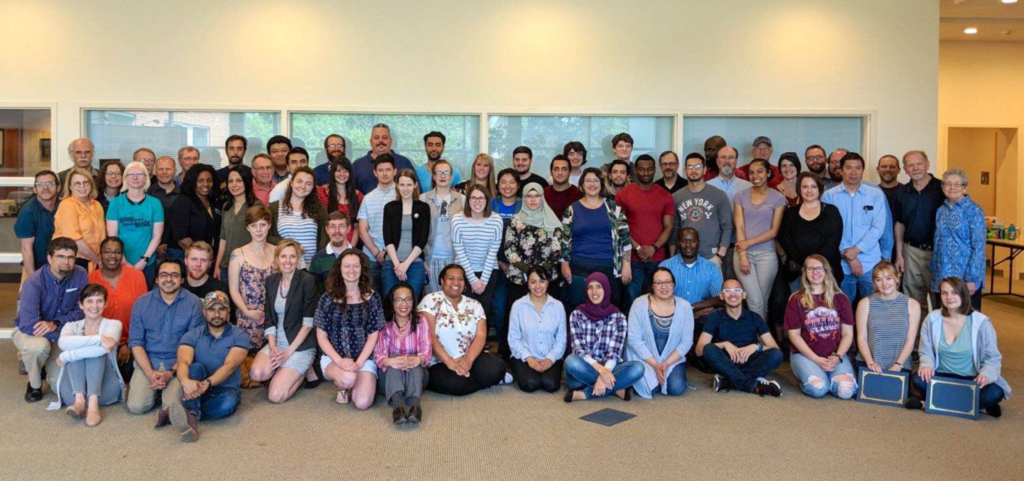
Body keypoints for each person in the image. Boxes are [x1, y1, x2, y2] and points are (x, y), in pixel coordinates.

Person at [907, 277, 1011, 417]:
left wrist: (986, 375)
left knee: (994, 392)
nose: (949, 297)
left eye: (954, 293)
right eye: (944, 293)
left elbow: (993, 358)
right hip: (941, 376)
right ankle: (975, 405)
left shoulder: (981, 322)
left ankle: (927, 403)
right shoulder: (932, 319)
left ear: (963, 294)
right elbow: (925, 351)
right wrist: (927, 365)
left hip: (972, 379)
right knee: (918, 379)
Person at [159, 291, 250, 442]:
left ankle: (180, 413)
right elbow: (183, 362)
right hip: (196, 384)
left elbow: (230, 365)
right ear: (204, 312)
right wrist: (186, 382)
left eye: (221, 309)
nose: (217, 314)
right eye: (211, 309)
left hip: (223, 388)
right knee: (195, 367)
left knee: (230, 401)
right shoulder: (192, 334)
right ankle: (192, 417)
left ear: (228, 311)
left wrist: (208, 383)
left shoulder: (239, 335)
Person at [13, 238, 88, 402]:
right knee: (38, 347)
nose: (66, 262)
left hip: (62, 331)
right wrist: (55, 338)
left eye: (70, 257)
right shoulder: (34, 282)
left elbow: (82, 311)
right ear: (49, 258)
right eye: (60, 256)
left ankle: (47, 367)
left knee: (63, 390)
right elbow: (28, 324)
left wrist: (56, 324)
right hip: (31, 332)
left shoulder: (81, 275)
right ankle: (35, 384)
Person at [126, 259, 205, 414]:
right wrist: (149, 373)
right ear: (156, 279)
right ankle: (156, 389)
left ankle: (163, 391)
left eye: (174, 275)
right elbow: (136, 343)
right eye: (164, 275)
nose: (169, 279)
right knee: (136, 407)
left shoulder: (194, 303)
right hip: (149, 361)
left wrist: (172, 373)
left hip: (178, 362)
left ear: (182, 279)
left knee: (171, 408)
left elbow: (193, 343)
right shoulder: (141, 303)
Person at [419, 264, 507, 396]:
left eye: (460, 279)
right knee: (457, 385)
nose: (456, 282)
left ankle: (474, 376)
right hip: (439, 361)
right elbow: (429, 335)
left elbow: (481, 335)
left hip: (470, 357)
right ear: (442, 281)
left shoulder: (474, 305)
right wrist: (449, 362)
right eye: (451, 278)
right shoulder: (430, 300)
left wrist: (468, 360)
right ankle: (482, 380)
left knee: (495, 369)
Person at [249, 240, 319, 403]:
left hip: (299, 345)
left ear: (298, 259)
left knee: (275, 396)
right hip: (278, 342)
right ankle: (283, 370)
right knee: (256, 373)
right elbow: (269, 318)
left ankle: (303, 370)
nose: (288, 261)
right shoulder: (272, 281)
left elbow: (308, 323)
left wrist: (287, 354)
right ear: (277, 259)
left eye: (292, 257)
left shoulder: (307, 280)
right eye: (283, 256)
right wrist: (273, 348)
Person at [504, 183, 568, 357]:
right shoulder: (516, 221)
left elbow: (557, 249)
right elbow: (510, 249)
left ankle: (550, 356)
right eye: (529, 196)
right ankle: (518, 357)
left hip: (547, 279)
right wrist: (529, 271)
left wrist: (540, 273)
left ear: (542, 197)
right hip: (519, 279)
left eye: (536, 195)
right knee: (519, 321)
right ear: (524, 199)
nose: (533, 200)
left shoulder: (552, 220)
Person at [316, 249, 386, 409]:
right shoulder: (327, 298)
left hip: (364, 358)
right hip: (334, 358)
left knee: (362, 403)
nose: (351, 271)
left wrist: (359, 363)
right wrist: (339, 361)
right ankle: (344, 383)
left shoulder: (372, 297)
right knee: (347, 378)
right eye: (347, 266)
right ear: (339, 269)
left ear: (362, 269)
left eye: (356, 266)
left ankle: (353, 382)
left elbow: (373, 336)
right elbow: (321, 336)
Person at [784, 255, 858, 399]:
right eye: (810, 269)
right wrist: (816, 359)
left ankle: (828, 376)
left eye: (819, 268)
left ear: (826, 271)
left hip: (834, 354)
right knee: (818, 389)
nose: (815, 272)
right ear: (805, 272)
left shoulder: (840, 298)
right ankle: (812, 378)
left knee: (845, 391)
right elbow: (794, 335)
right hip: (805, 355)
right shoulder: (796, 299)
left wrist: (837, 357)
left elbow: (848, 334)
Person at [695, 279, 784, 396]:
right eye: (728, 291)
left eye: (737, 290)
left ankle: (728, 381)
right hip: (725, 362)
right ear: (722, 296)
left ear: (744, 295)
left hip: (751, 361)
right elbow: (699, 351)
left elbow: (774, 348)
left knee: (777, 355)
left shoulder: (754, 317)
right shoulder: (714, 317)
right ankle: (752, 385)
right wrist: (724, 344)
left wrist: (756, 347)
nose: (733, 294)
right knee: (709, 349)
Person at [564, 272, 644, 402]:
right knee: (571, 362)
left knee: (638, 368)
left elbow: (614, 353)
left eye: (599, 287)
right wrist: (602, 371)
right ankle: (615, 388)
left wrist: (605, 372)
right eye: (590, 287)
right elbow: (579, 350)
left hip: (609, 367)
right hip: (584, 366)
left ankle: (585, 394)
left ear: (606, 289)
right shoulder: (577, 315)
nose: (594, 291)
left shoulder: (619, 317)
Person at [560, 167, 632, 310]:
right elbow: (564, 240)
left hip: (608, 265)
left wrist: (626, 265)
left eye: (595, 180)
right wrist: (564, 264)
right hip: (579, 266)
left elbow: (625, 238)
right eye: (588, 180)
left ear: (601, 184)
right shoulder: (572, 209)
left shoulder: (613, 208)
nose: (592, 184)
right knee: (578, 307)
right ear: (582, 185)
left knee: (608, 308)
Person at [53, 284, 125, 426]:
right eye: (89, 301)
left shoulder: (114, 324)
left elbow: (103, 350)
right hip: (72, 392)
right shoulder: (71, 326)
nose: (94, 305)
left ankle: (93, 406)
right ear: (81, 304)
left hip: (105, 389)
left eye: (99, 301)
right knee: (86, 350)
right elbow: (63, 343)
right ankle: (79, 402)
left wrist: (66, 356)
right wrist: (98, 339)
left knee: (94, 353)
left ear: (106, 304)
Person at [821, 152, 887, 305]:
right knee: (841, 309)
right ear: (841, 170)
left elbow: (878, 227)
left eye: (858, 168)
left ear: (863, 170)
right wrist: (848, 255)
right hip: (840, 264)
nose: (853, 172)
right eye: (849, 168)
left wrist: (856, 250)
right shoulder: (828, 196)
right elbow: (828, 230)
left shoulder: (875, 194)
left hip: (870, 263)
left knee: (873, 308)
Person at [626, 268, 695, 398]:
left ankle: (671, 371)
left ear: (674, 285)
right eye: (658, 283)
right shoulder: (639, 304)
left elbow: (686, 342)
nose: (664, 287)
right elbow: (634, 339)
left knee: (676, 388)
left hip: (672, 359)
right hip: (644, 358)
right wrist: (655, 364)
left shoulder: (685, 306)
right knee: (651, 388)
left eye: (668, 282)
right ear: (652, 286)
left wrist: (667, 363)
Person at [616, 154, 675, 306]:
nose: (646, 173)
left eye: (649, 169)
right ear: (635, 170)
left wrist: (653, 247)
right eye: (641, 169)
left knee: (656, 301)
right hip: (631, 259)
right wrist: (638, 247)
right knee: (631, 300)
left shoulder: (666, 196)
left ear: (655, 170)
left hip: (657, 258)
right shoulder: (623, 195)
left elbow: (669, 227)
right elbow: (618, 226)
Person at [893, 150, 945, 320]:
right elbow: (899, 223)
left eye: (919, 164)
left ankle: (937, 343)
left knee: (940, 299)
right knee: (913, 301)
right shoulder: (901, 192)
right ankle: (915, 343)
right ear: (904, 169)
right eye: (910, 165)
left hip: (937, 253)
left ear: (927, 165)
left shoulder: (943, 189)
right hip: (911, 251)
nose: (915, 168)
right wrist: (899, 255)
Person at [732, 159, 786, 320]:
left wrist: (748, 243)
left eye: (759, 171)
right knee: (755, 301)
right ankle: (761, 340)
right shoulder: (740, 196)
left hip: (766, 255)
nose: (755, 175)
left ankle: (758, 339)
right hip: (742, 255)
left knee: (762, 301)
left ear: (768, 173)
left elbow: (774, 231)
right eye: (751, 172)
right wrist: (743, 255)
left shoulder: (778, 198)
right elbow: (739, 227)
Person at [88, 237, 147, 380]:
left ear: (122, 255)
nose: (112, 256)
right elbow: (87, 317)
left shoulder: (137, 276)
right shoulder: (90, 279)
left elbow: (144, 314)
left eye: (117, 252)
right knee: (101, 376)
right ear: (100, 254)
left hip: (132, 341)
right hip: (100, 341)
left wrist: (128, 344)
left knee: (128, 374)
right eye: (107, 252)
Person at [373, 282, 431, 424]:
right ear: (392, 302)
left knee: (416, 364)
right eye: (398, 299)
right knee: (393, 363)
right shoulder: (383, 323)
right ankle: (398, 408)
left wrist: (417, 359)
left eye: (408, 299)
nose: (403, 304)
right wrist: (391, 361)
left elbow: (427, 349)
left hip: (416, 375)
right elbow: (378, 354)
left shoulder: (421, 320)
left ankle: (415, 406)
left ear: (413, 301)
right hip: (389, 377)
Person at [930, 169, 987, 311]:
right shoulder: (941, 210)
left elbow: (979, 247)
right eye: (948, 184)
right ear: (943, 187)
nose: (952, 188)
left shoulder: (974, 211)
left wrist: (971, 278)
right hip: (942, 275)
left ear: (965, 187)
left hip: (964, 276)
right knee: (943, 317)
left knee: (966, 319)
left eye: (957, 184)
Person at [778, 172, 845, 292]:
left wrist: (813, 266)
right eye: (805, 187)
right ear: (799, 189)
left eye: (813, 186)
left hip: (827, 271)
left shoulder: (831, 211)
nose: (809, 190)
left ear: (820, 189)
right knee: (801, 308)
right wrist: (806, 265)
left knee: (826, 309)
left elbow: (833, 243)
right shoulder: (790, 212)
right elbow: (785, 240)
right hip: (798, 272)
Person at [228, 205, 278, 360]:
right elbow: (233, 289)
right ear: (247, 228)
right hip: (248, 316)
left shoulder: (278, 252)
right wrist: (246, 311)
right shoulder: (238, 254)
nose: (258, 230)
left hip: (274, 315)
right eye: (254, 225)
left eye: (262, 225)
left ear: (269, 226)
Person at [508, 267, 567, 393]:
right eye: (533, 282)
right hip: (525, 356)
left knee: (550, 385)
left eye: (542, 281)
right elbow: (513, 338)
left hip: (549, 356)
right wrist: (529, 358)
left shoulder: (558, 306)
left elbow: (561, 339)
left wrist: (550, 359)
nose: (538, 286)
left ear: (548, 283)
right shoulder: (518, 306)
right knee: (530, 384)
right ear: (528, 284)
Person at [451, 184, 504, 323]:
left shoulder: (496, 220)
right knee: (464, 312)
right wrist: (473, 280)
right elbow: (460, 252)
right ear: (468, 200)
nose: (477, 201)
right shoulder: (457, 220)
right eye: (473, 198)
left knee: (483, 312)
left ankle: (480, 343)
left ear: (487, 200)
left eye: (481, 198)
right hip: (464, 271)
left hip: (488, 272)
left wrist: (483, 281)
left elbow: (493, 252)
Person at [855, 262, 921, 374]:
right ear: (874, 283)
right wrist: (871, 363)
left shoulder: (912, 304)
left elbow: (910, 340)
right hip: (869, 363)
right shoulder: (865, 303)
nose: (884, 283)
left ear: (897, 278)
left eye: (888, 278)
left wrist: (898, 365)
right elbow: (862, 338)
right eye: (879, 279)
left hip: (901, 364)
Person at [106, 160, 164, 284]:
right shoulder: (115, 203)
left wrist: (144, 260)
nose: (136, 177)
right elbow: (112, 237)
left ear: (146, 178)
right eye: (131, 174)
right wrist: (124, 261)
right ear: (125, 178)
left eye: (140, 174)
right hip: (120, 261)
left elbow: (157, 236)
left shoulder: (155, 203)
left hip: (148, 262)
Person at [671, 153, 732, 268]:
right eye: (690, 167)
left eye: (698, 166)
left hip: (711, 257)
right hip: (683, 258)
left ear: (704, 170)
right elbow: (674, 229)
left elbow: (727, 226)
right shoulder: (676, 197)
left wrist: (720, 256)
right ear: (684, 170)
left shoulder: (719, 195)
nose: (694, 170)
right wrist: (672, 256)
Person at [381, 169, 430, 302]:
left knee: (411, 303)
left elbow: (422, 240)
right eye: (402, 184)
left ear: (415, 185)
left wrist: (406, 265)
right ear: (397, 185)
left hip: (414, 264)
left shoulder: (423, 208)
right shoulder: (390, 208)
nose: (405, 188)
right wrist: (398, 265)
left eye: (409, 184)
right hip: (392, 264)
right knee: (390, 304)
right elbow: (388, 239)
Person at [659, 228, 724, 324]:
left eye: (692, 241)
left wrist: (693, 308)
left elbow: (719, 298)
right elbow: (657, 297)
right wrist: (687, 312)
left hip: (702, 316)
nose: (688, 245)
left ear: (698, 243)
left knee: (717, 315)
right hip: (671, 316)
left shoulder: (711, 268)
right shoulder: (665, 266)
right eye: (683, 241)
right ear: (678, 243)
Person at [421, 159, 464, 294]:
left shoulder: (462, 199)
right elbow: (418, 233)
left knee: (453, 299)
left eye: (446, 172)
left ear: (451, 176)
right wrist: (421, 259)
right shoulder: (423, 199)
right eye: (439, 173)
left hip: (454, 258)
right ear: (434, 176)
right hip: (431, 259)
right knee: (432, 300)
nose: (443, 176)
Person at [268, 167, 327, 265]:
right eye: (299, 181)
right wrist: (291, 244)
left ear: (313, 187)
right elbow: (267, 236)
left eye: (308, 184)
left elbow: (325, 237)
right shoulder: (275, 207)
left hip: (311, 267)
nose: (303, 186)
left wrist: (318, 262)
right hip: (284, 266)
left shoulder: (319, 208)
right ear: (291, 183)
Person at [490, 168, 521, 347]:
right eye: (503, 182)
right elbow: (484, 234)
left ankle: (515, 348)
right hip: (495, 264)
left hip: (519, 265)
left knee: (517, 309)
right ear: (498, 184)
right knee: (499, 308)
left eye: (511, 182)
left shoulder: (524, 205)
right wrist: (499, 262)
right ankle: (502, 347)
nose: (507, 186)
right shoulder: (490, 204)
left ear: (517, 185)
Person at [358, 154, 398, 291]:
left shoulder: (401, 195)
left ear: (395, 171)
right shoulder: (368, 198)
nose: (384, 173)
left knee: (392, 299)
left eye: (388, 169)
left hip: (396, 258)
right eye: (380, 170)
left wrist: (387, 252)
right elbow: (362, 230)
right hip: (371, 258)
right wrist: (376, 253)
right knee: (370, 298)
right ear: (375, 173)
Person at [54, 167, 106, 269]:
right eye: (77, 183)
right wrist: (97, 259)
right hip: (73, 260)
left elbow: (102, 235)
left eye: (86, 182)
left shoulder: (97, 205)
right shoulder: (67, 205)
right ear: (70, 187)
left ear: (91, 184)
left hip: (95, 261)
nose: (82, 186)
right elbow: (74, 239)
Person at [167, 164, 221, 262]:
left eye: (209, 180)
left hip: (206, 257)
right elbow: (182, 237)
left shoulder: (214, 202)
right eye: (200, 181)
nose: (206, 184)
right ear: (192, 182)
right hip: (184, 255)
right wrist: (199, 257)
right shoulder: (183, 201)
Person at [215, 168, 261, 280]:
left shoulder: (256, 205)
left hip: (248, 265)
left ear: (246, 182)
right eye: (230, 181)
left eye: (239, 181)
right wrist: (217, 265)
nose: (234, 185)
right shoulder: (226, 206)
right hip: (226, 265)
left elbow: (261, 237)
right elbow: (223, 238)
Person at [16, 170, 59, 279]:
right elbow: (26, 248)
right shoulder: (28, 211)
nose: (45, 188)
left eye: (50, 184)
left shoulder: (66, 206)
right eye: (40, 184)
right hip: (37, 267)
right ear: (35, 189)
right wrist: (33, 278)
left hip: (62, 266)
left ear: (58, 188)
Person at [352, 124, 415, 195]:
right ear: (370, 142)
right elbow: (349, 193)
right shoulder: (358, 165)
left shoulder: (404, 163)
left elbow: (415, 191)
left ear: (391, 141)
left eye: (385, 138)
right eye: (376, 138)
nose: (381, 141)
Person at [314, 156, 362, 244]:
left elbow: (357, 226)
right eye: (338, 170)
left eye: (346, 171)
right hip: (327, 246)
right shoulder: (321, 193)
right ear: (333, 172)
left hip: (350, 246)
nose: (342, 174)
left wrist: (350, 248)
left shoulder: (357, 196)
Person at [309, 211, 354, 283]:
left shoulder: (361, 257)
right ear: (327, 229)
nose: (337, 231)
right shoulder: (317, 259)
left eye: (341, 226)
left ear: (348, 229)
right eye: (332, 226)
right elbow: (315, 292)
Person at [544, 154, 582, 219]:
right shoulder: (543, 193)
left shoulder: (579, 195)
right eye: (556, 169)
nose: (560, 173)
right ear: (551, 172)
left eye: (564, 169)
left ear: (570, 172)